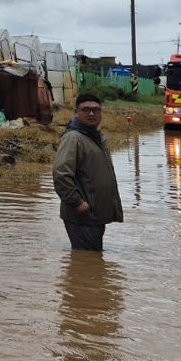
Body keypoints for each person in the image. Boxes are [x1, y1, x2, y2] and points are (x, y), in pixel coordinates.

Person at [51, 93, 123, 251]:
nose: (91, 114)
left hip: (94, 215)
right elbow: (61, 174)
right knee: (88, 256)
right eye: (86, 110)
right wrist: (77, 202)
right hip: (82, 215)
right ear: (76, 112)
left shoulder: (94, 137)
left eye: (96, 110)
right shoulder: (74, 138)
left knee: (89, 260)